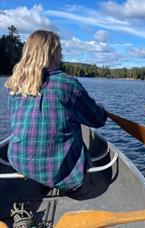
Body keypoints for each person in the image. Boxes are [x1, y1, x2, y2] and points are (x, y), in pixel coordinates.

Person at [4, 30, 107, 191]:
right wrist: (101, 109)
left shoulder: (15, 85)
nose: (62, 56)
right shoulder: (68, 85)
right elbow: (98, 120)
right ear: (52, 54)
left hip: (20, 161)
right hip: (58, 172)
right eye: (60, 51)